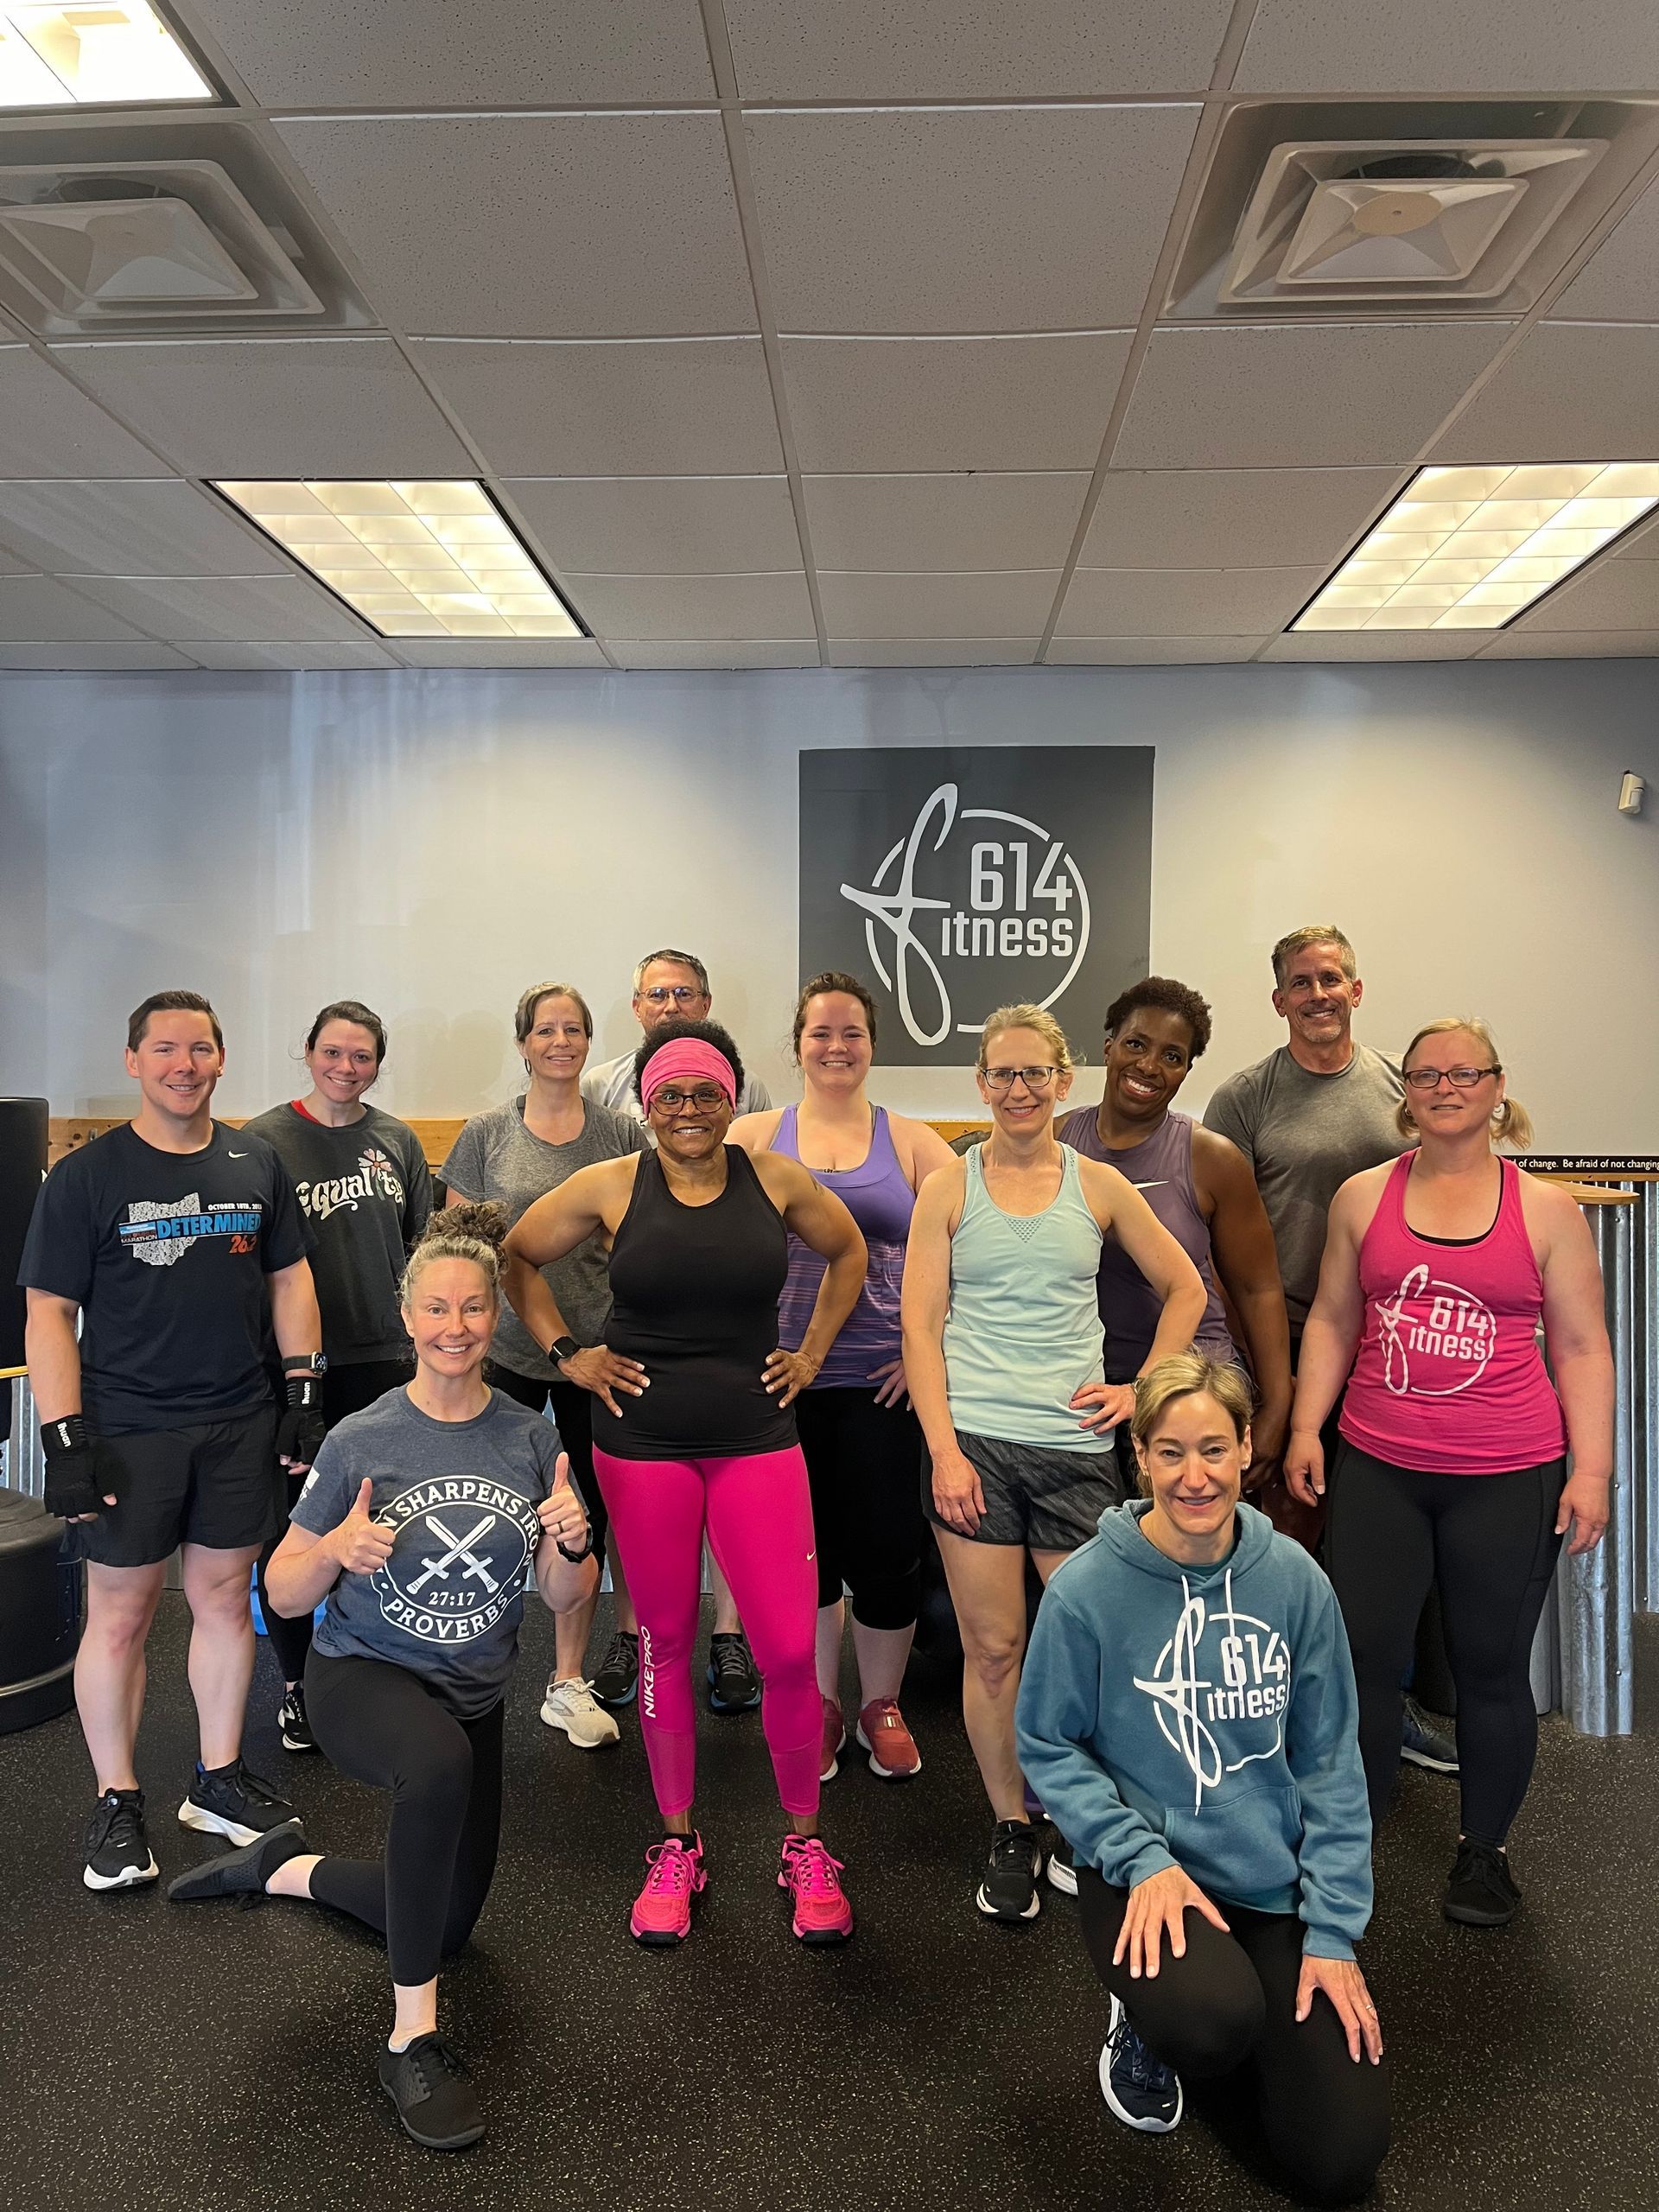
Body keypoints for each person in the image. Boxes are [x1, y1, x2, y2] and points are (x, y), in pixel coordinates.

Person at [167, 1204, 599, 2152]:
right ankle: (411, 2039)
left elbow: (565, 1591)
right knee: (435, 1768)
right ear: (408, 1317)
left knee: (446, 1924)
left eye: (473, 1308)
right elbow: (281, 1588)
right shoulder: (363, 1439)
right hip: (359, 1677)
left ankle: (283, 1868)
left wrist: (573, 1541)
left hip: (473, 1694)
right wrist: (333, 1548)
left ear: (496, 1317)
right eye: (436, 1308)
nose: (455, 1326)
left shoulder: (529, 1438)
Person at [505, 1019, 867, 1947]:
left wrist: (812, 1353)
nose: (691, 1109)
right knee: (663, 1643)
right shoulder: (611, 1184)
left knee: (787, 1650)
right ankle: (677, 1844)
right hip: (643, 1442)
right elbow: (517, 1255)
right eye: (672, 1094)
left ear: (731, 1098)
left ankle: (804, 1845)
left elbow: (850, 1253)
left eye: (708, 1092)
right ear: (648, 1103)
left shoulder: (775, 1179)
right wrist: (568, 1353)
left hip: (757, 1438)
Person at [1016, 1355, 1389, 2208]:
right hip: (1148, 1874)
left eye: (1215, 1449)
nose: (1196, 1476)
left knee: (1343, 2158)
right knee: (1212, 2021)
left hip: (1270, 1880)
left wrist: (1334, 1931)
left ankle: (1245, 2007)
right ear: (1141, 1457)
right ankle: (1146, 2018)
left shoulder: (1295, 1581)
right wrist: (1138, 1857)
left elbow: (1331, 1761)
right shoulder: (1086, 1591)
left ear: (1246, 1447)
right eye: (1172, 1452)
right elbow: (1047, 1742)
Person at [1286, 1018, 1613, 1929]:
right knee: (1361, 1663)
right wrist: (1306, 1426)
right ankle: (1349, 1837)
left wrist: (1593, 1470)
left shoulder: (1546, 1212)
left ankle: (1484, 1851)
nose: (1445, 1087)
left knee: (1490, 1670)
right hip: (1379, 1467)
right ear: (1407, 1093)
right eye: (1427, 1074)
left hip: (1507, 1475)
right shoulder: (1362, 1197)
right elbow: (1334, 1320)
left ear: (1497, 1088)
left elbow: (1583, 1347)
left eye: (1464, 1073)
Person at [900, 1003, 1207, 1923]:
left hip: (1075, 1448)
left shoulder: (1100, 1185)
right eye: (1002, 1073)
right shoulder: (947, 1188)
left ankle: (1084, 1818)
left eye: (1035, 1073)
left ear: (1063, 1081)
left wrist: (1141, 1390)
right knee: (995, 1650)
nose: (1019, 1089)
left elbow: (1186, 1289)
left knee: (1092, 1651)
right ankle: (1010, 1827)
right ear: (982, 1083)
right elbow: (920, 1328)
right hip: (975, 1449)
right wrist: (944, 1452)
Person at [19, 989, 320, 1891]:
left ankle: (217, 1780)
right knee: (122, 1613)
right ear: (133, 1061)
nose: (183, 1065)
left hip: (238, 1418)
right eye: (164, 1049)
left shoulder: (255, 1161)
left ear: (221, 1059)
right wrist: (65, 1441)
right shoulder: (87, 1174)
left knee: (225, 1599)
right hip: (129, 1425)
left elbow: (291, 1278)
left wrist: (302, 1388)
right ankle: (116, 1800)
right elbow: (49, 1310)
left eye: (199, 1049)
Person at [1205, 924, 1457, 1776]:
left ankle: (1378, 1712)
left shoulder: (1400, 1087)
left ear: (1357, 989)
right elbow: (1222, 1244)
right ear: (1279, 1000)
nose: (1318, 993)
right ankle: (1276, 1716)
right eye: (1302, 982)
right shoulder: (1244, 1099)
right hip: (1285, 1341)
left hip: (1393, 1347)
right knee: (1288, 1532)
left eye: (1332, 978)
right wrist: (1264, 1377)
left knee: (1381, 1543)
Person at [731, 971, 957, 1785]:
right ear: (797, 1045)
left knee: (889, 1552)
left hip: (880, 1383)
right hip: (782, 1382)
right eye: (820, 1033)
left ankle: (881, 1704)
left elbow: (973, 1251)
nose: (836, 1047)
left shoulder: (914, 1143)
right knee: (807, 1555)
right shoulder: (754, 1136)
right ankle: (824, 1702)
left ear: (872, 1045)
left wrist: (927, 1351)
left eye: (851, 1032)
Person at [441, 982, 645, 1752]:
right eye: (546, 1030)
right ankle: (469, 1666)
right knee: (489, 1513)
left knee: (586, 1519)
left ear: (589, 1041)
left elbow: (645, 1235)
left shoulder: (621, 1132)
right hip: (508, 1355)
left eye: (574, 1030)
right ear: (523, 1043)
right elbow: (456, 1247)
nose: (561, 1041)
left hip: (602, 1358)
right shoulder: (487, 1134)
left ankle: (566, 1680)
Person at [583, 945, 772, 1713]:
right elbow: (576, 1210)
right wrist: (570, 1350)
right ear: (637, 1006)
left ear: (706, 1002)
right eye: (656, 994)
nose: (670, 1005)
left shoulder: (748, 1088)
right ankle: (632, 1635)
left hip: (730, 1344)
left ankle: (728, 1638)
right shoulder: (599, 1087)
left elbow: (761, 1195)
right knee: (638, 1522)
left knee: (730, 1511)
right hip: (639, 1330)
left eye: (684, 993)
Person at [244, 998, 432, 1752]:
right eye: (332, 1052)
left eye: (361, 1056)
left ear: (377, 1063)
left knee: (387, 1525)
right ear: (309, 1051)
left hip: (385, 1362)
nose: (346, 1067)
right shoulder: (264, 1141)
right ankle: (295, 1687)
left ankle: (381, 1676)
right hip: (298, 1372)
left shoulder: (397, 1141)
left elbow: (421, 1252)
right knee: (295, 1532)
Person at [1057, 976, 1291, 1491]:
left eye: (1172, 1056)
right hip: (1086, 1388)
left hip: (1193, 1385)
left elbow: (1257, 1288)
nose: (1148, 1066)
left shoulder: (1211, 1157)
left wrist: (1277, 1407)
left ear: (1186, 1070)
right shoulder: (1057, 1140)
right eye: (1136, 1044)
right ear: (1109, 1047)